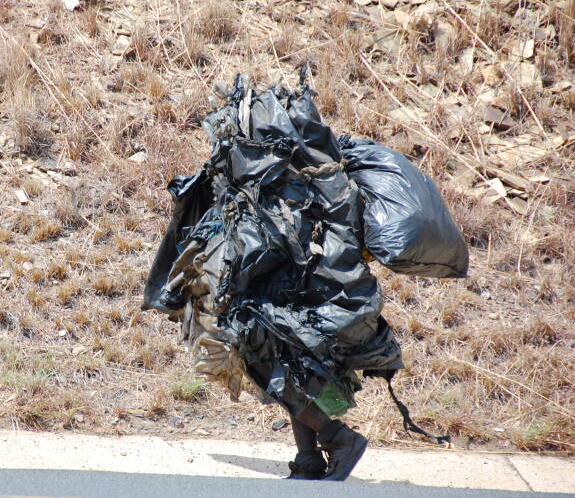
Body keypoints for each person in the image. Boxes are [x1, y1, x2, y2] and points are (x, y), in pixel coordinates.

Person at [143, 74, 458, 481]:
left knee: (263, 359)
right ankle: (309, 459)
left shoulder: (281, 183)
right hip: (321, 295)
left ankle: (339, 438)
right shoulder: (323, 174)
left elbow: (266, 247)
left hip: (305, 296)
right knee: (295, 370)